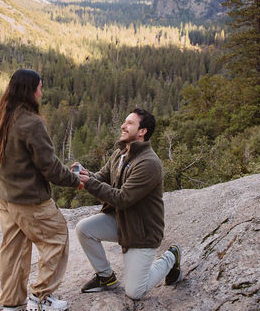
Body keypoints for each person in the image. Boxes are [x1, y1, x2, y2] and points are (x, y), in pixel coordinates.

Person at [0, 69, 82, 311]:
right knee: (56, 236)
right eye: (39, 87)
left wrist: (11, 166)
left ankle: (12, 303)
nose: (42, 92)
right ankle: (41, 297)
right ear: (30, 91)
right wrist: (75, 181)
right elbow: (49, 167)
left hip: (5, 197)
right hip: (30, 200)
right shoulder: (32, 123)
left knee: (13, 248)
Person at [73, 108, 181, 300]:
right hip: (121, 221)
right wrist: (85, 174)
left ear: (142, 131)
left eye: (129, 123)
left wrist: (89, 182)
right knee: (84, 229)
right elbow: (100, 178)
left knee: (135, 292)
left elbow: (122, 199)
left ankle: (171, 257)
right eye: (125, 122)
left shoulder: (148, 163)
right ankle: (105, 277)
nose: (123, 126)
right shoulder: (119, 154)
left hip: (141, 231)